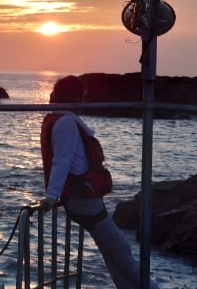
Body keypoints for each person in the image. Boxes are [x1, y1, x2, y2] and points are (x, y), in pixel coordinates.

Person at [39, 75, 159, 289]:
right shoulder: (66, 122)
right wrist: (52, 196)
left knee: (113, 253)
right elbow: (62, 160)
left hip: (81, 198)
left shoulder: (61, 119)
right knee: (120, 250)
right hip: (82, 200)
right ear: (75, 97)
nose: (85, 100)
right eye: (83, 96)